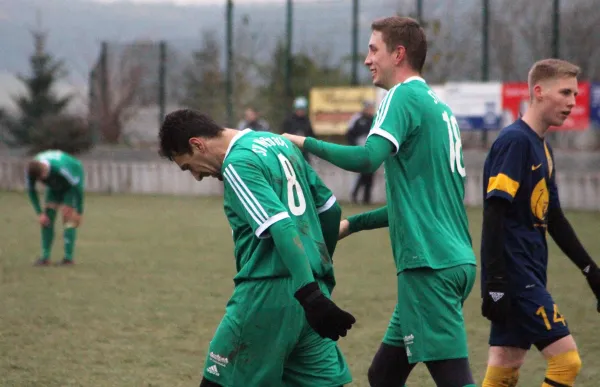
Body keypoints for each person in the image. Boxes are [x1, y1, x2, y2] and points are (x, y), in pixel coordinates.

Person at [284, 16, 477, 387]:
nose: (367, 59)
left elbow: (367, 158)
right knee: (383, 375)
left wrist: (303, 142)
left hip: (428, 266)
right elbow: (414, 206)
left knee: (454, 379)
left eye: (374, 49)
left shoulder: (401, 96)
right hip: (452, 260)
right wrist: (353, 225)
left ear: (398, 54)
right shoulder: (436, 106)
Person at [157, 109, 355, 387]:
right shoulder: (280, 144)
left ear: (197, 144)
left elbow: (281, 226)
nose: (197, 177)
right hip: (311, 289)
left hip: (268, 294)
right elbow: (330, 209)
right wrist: (318, 276)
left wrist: (308, 293)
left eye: (188, 166)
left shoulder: (237, 162)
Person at [480, 58, 600, 387]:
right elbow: (493, 213)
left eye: (575, 94)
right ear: (539, 92)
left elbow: (555, 219)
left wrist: (590, 270)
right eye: (565, 92)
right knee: (566, 362)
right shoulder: (515, 142)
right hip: (516, 279)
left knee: (506, 363)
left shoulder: (542, 149)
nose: (572, 102)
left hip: (528, 274)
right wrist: (495, 282)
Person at [25, 149, 85, 266]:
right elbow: (31, 191)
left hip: (71, 182)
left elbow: (77, 187)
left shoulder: (59, 168)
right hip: (55, 185)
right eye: (41, 178)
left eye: (44, 174)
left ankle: (68, 258)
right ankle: (45, 257)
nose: (43, 178)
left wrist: (79, 211)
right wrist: (39, 213)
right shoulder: (31, 172)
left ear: (44, 167)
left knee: (67, 216)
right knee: (47, 218)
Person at [346, 100, 376, 204]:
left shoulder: (375, 119)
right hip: (359, 151)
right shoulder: (357, 119)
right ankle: (354, 195)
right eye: (369, 108)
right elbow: (349, 134)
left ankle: (366, 199)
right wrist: (354, 148)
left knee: (369, 175)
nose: (370, 110)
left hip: (371, 153)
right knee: (360, 175)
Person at [281, 96, 315, 163]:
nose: (301, 111)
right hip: (291, 150)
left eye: (303, 109)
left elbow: (311, 135)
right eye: (299, 109)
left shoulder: (306, 121)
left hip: (304, 151)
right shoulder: (289, 120)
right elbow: (283, 135)